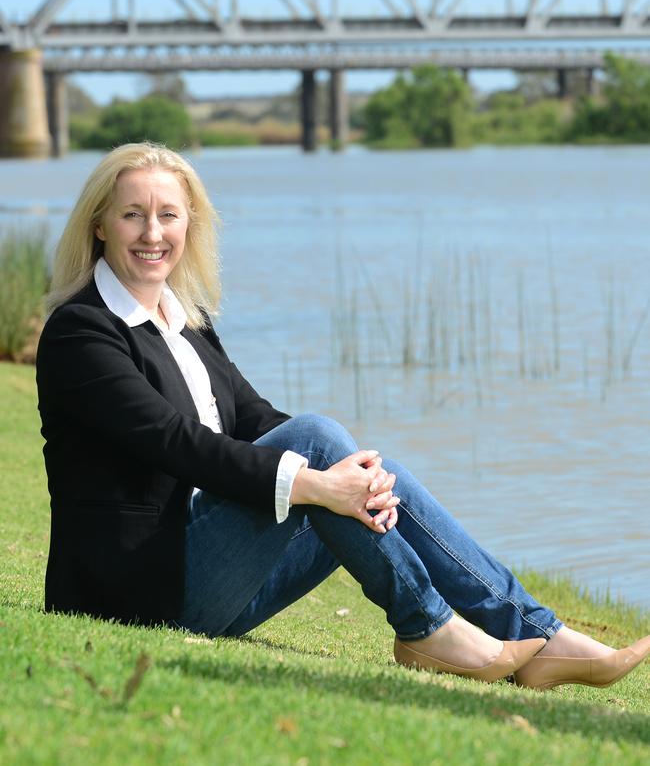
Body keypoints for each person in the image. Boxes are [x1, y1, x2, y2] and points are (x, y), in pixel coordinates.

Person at [36, 143, 649, 692]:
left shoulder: (185, 322)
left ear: (189, 223)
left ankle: (540, 637)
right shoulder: (81, 331)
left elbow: (254, 417)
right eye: (133, 214)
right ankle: (426, 629)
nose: (153, 232)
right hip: (136, 593)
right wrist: (316, 479)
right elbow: (178, 443)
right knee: (319, 442)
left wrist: (350, 474)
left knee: (378, 473)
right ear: (100, 225)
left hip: (213, 579)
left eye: (168, 214)